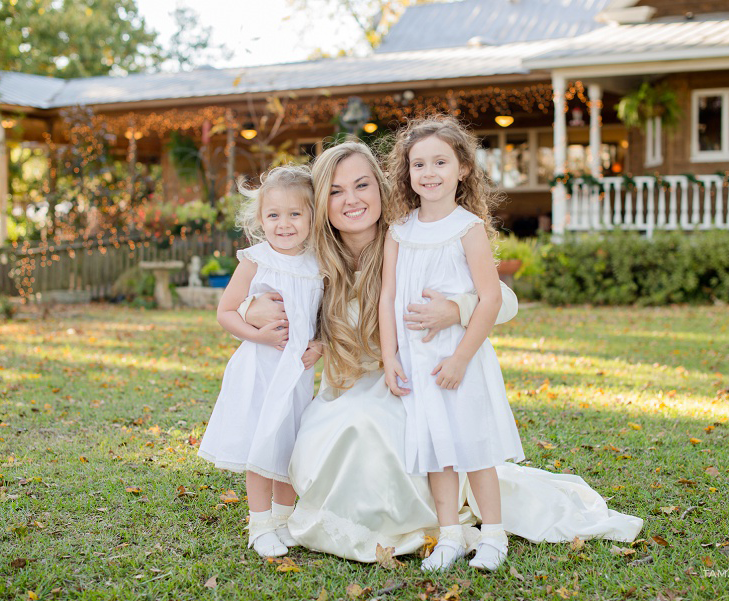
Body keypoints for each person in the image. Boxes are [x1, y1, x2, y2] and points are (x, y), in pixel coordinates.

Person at [242, 139, 643, 565]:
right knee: (340, 424)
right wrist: (252, 308)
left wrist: (456, 309)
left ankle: (427, 524)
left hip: (409, 379)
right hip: (344, 385)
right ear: (321, 200)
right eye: (336, 191)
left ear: (381, 188)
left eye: (362, 185)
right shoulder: (312, 254)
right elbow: (260, 291)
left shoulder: (411, 238)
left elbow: (502, 301)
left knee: (368, 427)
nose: (351, 200)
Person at [380, 116, 524, 571]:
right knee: (436, 451)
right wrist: (389, 356)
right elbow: (386, 297)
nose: (428, 172)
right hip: (417, 362)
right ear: (407, 172)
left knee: (473, 446)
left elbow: (490, 298)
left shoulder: (468, 228)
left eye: (440, 161)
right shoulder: (399, 230)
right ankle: (450, 536)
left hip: (460, 361)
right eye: (418, 163)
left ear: (462, 168)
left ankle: (494, 535)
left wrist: (462, 358)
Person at [197, 165, 324, 558]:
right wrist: (258, 335)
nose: (283, 224)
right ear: (259, 219)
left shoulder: (320, 263)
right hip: (259, 368)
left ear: (312, 217)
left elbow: (325, 318)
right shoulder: (257, 260)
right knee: (261, 445)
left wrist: (318, 347)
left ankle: (285, 520)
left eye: (295, 214)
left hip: (297, 373)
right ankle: (260, 524)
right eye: (273, 215)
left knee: (287, 446)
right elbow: (226, 312)